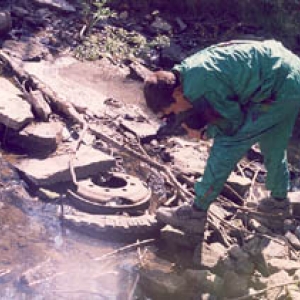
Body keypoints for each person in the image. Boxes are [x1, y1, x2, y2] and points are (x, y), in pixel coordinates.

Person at [143, 40, 300, 233]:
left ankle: (196, 213)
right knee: (273, 144)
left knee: (227, 145)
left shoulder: (201, 85)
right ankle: (278, 204)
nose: (174, 115)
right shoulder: (185, 73)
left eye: (172, 111)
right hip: (290, 74)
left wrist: (206, 132)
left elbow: (234, 122)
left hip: (277, 87)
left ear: (176, 93)